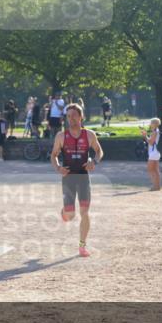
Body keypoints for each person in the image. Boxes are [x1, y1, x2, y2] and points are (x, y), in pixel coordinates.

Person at [50, 103, 104, 258]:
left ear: (81, 117)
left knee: (85, 212)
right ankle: (65, 212)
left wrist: (94, 162)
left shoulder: (89, 135)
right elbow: (53, 155)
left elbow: (99, 151)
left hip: (83, 177)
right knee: (70, 215)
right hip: (68, 178)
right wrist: (58, 168)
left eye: (74, 115)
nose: (71, 119)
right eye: (68, 116)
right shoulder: (61, 136)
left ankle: (82, 245)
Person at [143, 117, 162, 191]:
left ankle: (155, 186)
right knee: (156, 170)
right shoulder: (157, 131)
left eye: (151, 123)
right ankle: (157, 186)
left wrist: (145, 136)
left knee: (150, 169)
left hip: (154, 153)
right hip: (156, 152)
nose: (150, 124)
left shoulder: (155, 132)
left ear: (154, 124)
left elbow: (151, 142)